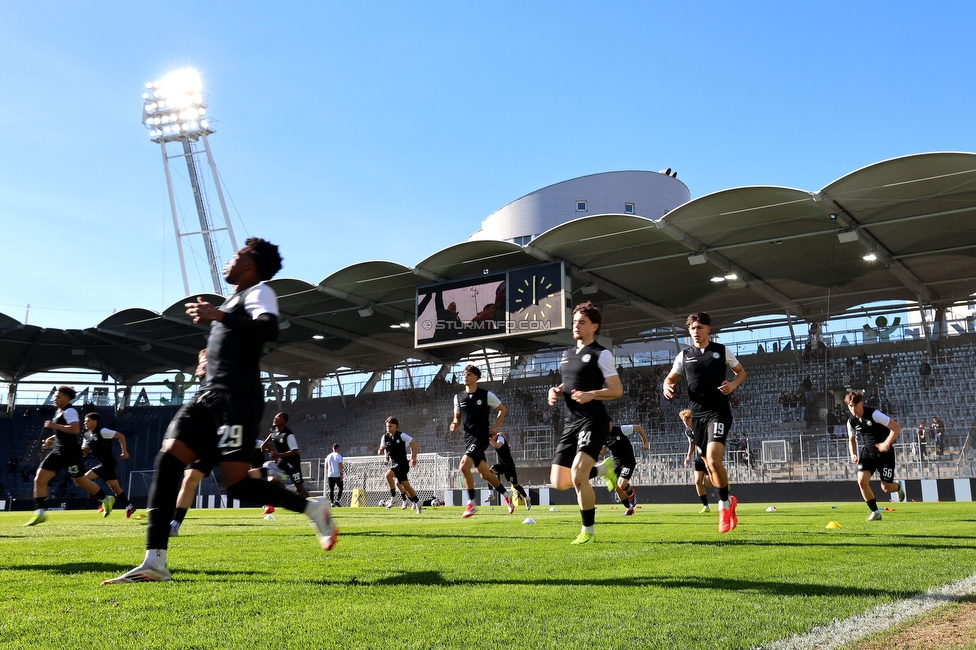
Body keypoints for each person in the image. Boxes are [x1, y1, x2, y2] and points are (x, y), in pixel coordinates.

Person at [103, 238, 336, 585]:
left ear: (250, 264)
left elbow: (268, 328)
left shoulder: (259, 293)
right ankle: (154, 561)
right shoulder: (231, 301)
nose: (229, 261)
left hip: (236, 400)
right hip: (208, 396)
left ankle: (313, 508)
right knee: (168, 460)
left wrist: (219, 315)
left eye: (236, 256)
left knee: (237, 485)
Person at [663, 311, 746, 534]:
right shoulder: (684, 355)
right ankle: (729, 501)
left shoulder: (721, 351)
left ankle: (723, 507)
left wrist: (733, 385)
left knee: (713, 460)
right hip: (697, 416)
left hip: (718, 412)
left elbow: (740, 372)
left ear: (708, 329)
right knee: (709, 466)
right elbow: (671, 377)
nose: (696, 332)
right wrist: (666, 386)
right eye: (692, 328)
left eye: (700, 327)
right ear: (688, 331)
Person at [547, 302, 623, 544]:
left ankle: (587, 531)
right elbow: (570, 385)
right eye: (574, 322)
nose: (576, 327)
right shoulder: (566, 355)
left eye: (582, 322)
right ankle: (603, 469)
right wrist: (556, 390)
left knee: (579, 475)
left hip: (594, 420)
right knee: (559, 482)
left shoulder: (603, 354)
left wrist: (592, 394)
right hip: (571, 423)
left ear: (594, 326)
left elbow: (616, 390)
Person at [24, 386, 118, 525]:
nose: (55, 399)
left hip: (70, 453)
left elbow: (74, 429)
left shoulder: (70, 411)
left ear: (67, 398)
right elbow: (64, 432)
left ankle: (106, 498)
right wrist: (53, 438)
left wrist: (54, 427)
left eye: (59, 397)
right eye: (55, 396)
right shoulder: (59, 412)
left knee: (80, 482)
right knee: (39, 478)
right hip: (59, 450)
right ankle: (40, 513)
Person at [451, 365, 514, 517]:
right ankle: (506, 494)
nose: (465, 376)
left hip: (481, 438)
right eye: (464, 374)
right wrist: (454, 423)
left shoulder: (486, 395)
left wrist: (495, 427)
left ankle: (471, 503)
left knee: (464, 466)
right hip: (468, 438)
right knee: (484, 474)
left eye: (469, 374)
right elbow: (457, 417)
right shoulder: (458, 397)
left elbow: (502, 410)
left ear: (476, 378)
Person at [845, 390, 905, 521]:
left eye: (855, 405)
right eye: (850, 406)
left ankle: (898, 487)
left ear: (861, 403)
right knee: (861, 481)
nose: (853, 408)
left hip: (885, 453)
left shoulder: (874, 414)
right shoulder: (851, 422)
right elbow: (851, 440)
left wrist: (886, 443)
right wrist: (853, 454)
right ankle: (875, 512)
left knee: (886, 487)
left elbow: (896, 428)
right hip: (868, 453)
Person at [81, 412, 136, 518]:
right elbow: (84, 452)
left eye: (88, 421)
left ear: (95, 421)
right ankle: (130, 507)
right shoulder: (86, 435)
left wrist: (124, 452)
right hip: (100, 463)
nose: (85, 423)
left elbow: (120, 436)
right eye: (84, 421)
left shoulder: (102, 431)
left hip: (108, 463)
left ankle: (105, 499)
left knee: (85, 479)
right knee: (115, 487)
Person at [596, 418, 648, 516]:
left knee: (621, 484)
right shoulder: (602, 436)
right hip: (617, 462)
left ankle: (631, 493)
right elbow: (603, 453)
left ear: (611, 423)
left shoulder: (621, 430)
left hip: (628, 461)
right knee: (617, 488)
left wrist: (645, 443)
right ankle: (629, 508)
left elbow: (638, 428)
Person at [261, 412, 310, 499]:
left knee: (300, 488)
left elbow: (295, 451)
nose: (275, 418)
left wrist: (277, 455)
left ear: (284, 421)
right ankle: (288, 488)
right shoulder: (273, 431)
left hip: (293, 463)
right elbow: (271, 436)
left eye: (278, 417)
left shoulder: (288, 434)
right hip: (282, 461)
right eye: (275, 416)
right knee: (272, 480)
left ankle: (313, 505)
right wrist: (263, 444)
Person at [378, 416, 421, 513]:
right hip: (394, 464)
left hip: (402, 464)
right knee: (405, 485)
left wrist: (413, 457)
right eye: (387, 426)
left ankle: (394, 497)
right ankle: (417, 502)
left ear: (396, 426)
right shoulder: (384, 437)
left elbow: (414, 444)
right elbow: (384, 449)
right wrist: (383, 455)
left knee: (388, 475)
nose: (388, 428)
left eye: (390, 426)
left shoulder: (401, 436)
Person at [487, 431, 530, 510]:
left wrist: (489, 440)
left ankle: (527, 498)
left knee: (515, 485)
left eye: (490, 436)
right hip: (501, 465)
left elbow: (499, 445)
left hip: (509, 467)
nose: (490, 438)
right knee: (488, 473)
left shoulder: (500, 438)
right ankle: (491, 494)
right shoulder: (498, 436)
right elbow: (502, 433)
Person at [680, 408, 712, 513]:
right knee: (697, 481)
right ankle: (706, 506)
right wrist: (688, 456)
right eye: (684, 421)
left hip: (709, 456)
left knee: (708, 483)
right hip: (699, 457)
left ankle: (724, 484)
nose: (686, 423)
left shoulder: (701, 426)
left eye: (687, 421)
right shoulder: (688, 431)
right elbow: (692, 444)